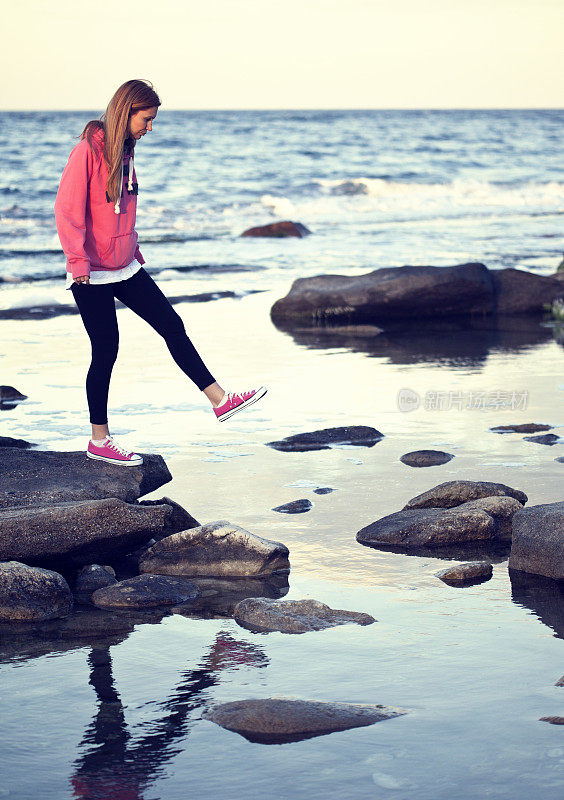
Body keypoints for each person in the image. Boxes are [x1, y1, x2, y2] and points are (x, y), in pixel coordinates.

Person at [54, 79, 266, 467]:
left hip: (124, 265)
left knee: (171, 322)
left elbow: (121, 208)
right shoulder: (87, 151)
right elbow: (68, 211)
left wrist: (131, 245)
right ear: (127, 111)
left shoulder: (125, 150)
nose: (150, 127)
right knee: (106, 349)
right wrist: (77, 262)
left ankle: (220, 400)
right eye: (146, 119)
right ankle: (99, 439)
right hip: (91, 271)